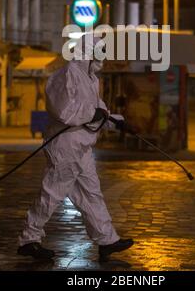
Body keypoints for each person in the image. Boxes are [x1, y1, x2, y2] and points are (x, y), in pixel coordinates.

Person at [17, 35, 133, 260]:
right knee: (52, 192)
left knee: (91, 193)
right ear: (88, 53)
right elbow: (63, 110)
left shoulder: (90, 79)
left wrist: (115, 121)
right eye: (100, 53)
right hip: (65, 145)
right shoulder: (67, 74)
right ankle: (29, 238)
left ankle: (107, 239)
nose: (103, 57)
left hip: (83, 146)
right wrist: (94, 115)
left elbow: (98, 110)